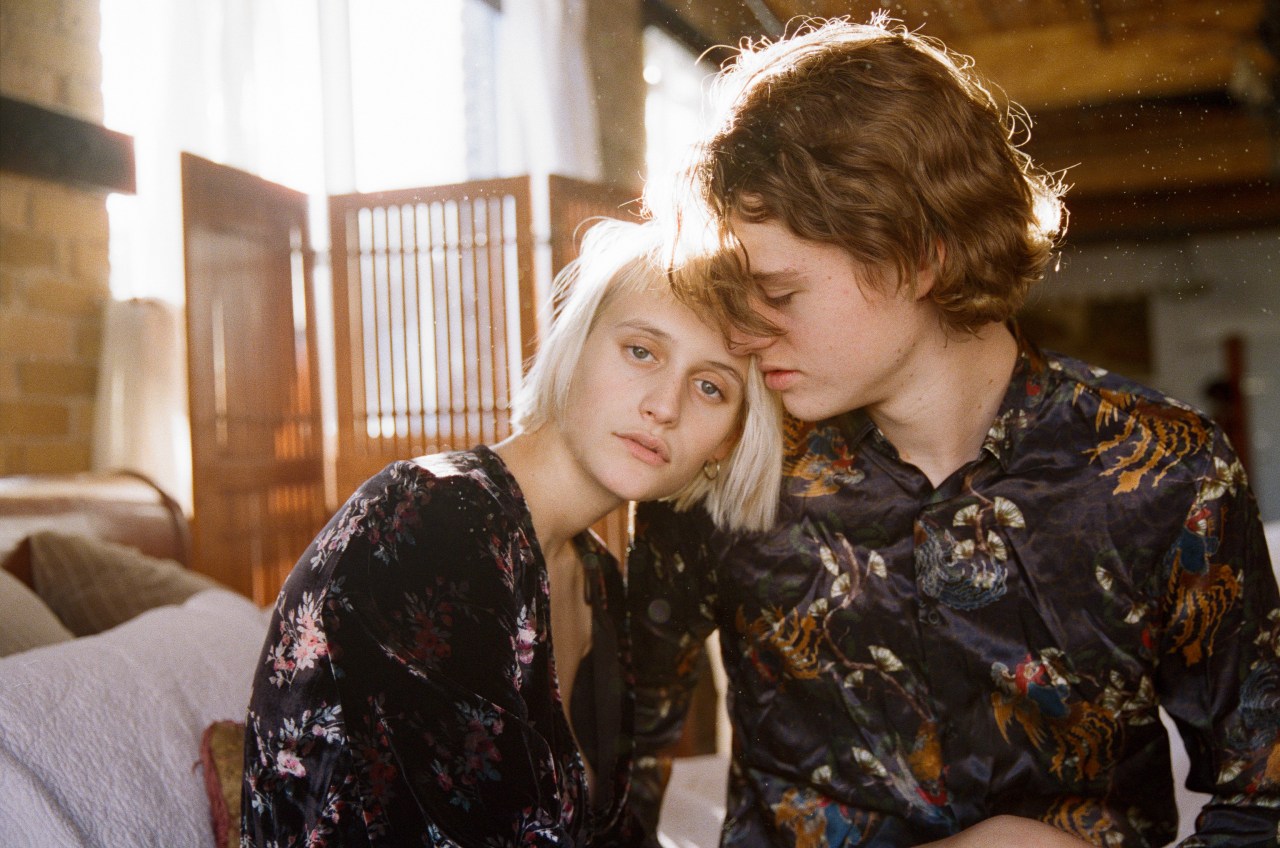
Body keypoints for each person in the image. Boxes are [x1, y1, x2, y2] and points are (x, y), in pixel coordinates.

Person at [630, 15, 1280, 847]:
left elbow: (1264, 804)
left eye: (781, 294)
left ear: (919, 256)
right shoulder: (721, 463)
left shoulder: (1167, 472)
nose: (744, 331)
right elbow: (615, 767)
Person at [241, 219, 783, 846]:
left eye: (710, 387)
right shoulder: (429, 515)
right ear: (574, 346)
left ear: (726, 445)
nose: (665, 406)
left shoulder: (596, 579)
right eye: (641, 351)